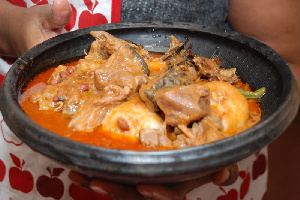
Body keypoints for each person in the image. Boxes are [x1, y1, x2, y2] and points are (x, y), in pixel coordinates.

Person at [0, 0, 299, 199]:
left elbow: (281, 61)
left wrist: (222, 146)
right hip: (35, 156)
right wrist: (14, 28)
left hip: (214, 164)